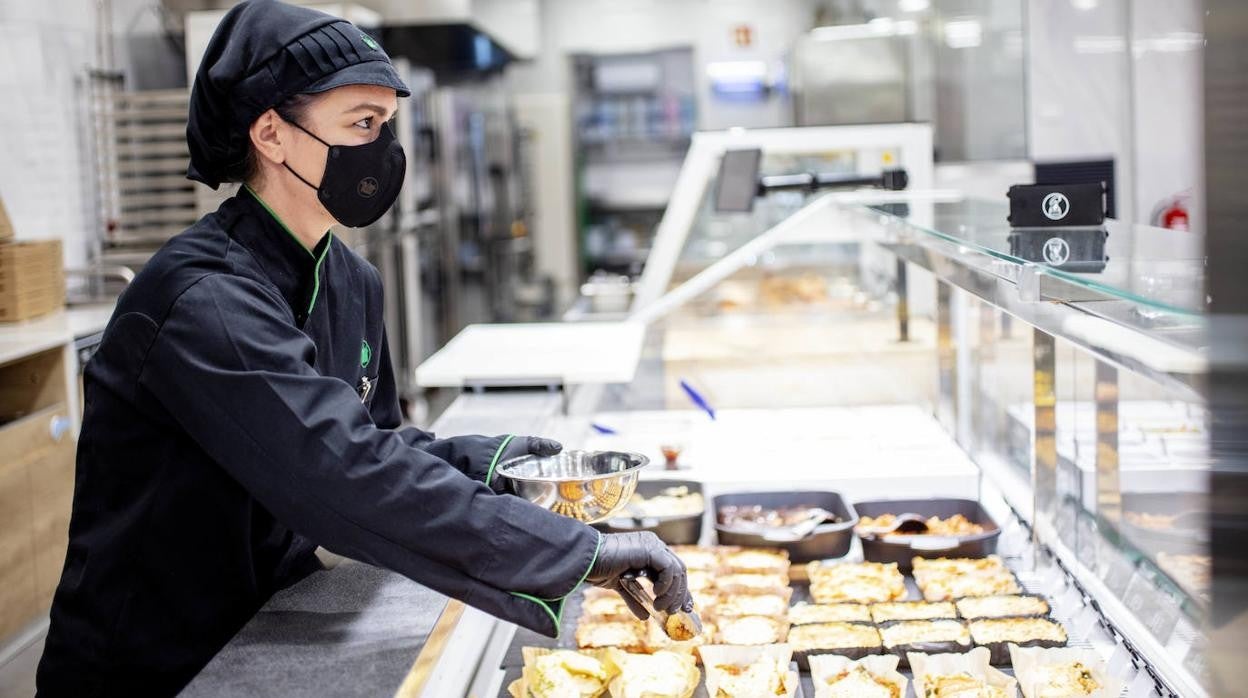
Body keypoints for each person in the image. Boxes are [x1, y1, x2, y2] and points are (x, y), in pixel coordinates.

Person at [35, 1, 689, 694]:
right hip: (153, 662)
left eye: (387, 125)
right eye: (362, 124)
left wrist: (514, 468)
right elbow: (344, 472)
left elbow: (380, 442)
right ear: (272, 135)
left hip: (272, 629)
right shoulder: (204, 302)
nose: (383, 151)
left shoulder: (352, 281)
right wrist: (577, 553)